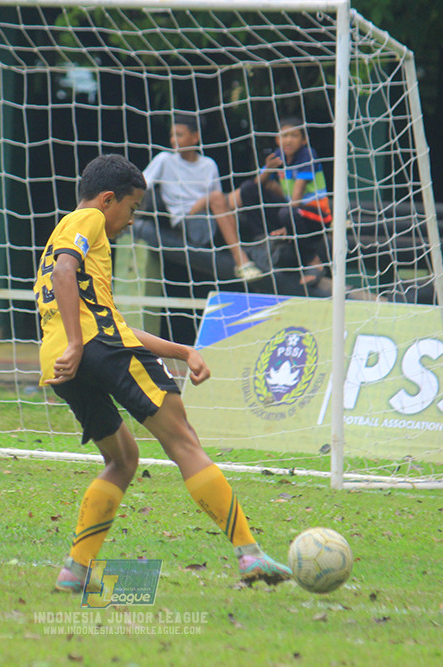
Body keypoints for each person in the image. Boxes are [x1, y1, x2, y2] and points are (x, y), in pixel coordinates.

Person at [34, 154, 292, 591]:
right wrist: (80, 342)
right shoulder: (88, 219)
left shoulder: (70, 239)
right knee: (184, 441)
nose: (133, 220)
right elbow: (66, 272)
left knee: (123, 459)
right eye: (132, 209)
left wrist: (183, 350)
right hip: (89, 347)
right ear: (108, 199)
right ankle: (249, 554)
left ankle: (74, 571)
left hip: (59, 361)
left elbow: (112, 320)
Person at [139, 113, 262, 283]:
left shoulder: (208, 164)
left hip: (211, 215)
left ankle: (263, 243)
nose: (174, 140)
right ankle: (240, 260)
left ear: (195, 137)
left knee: (244, 192)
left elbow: (221, 203)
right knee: (216, 198)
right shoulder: (164, 160)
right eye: (172, 135)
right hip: (188, 220)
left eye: (179, 135)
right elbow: (142, 184)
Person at [229, 117, 333, 290]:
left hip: (315, 213)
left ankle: (313, 261)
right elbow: (256, 184)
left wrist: (287, 223)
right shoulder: (278, 155)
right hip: (291, 211)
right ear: (278, 139)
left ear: (303, 140)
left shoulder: (307, 155)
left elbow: (298, 195)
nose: (288, 140)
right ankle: (262, 238)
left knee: (287, 213)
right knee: (248, 188)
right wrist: (268, 169)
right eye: (284, 136)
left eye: (294, 136)